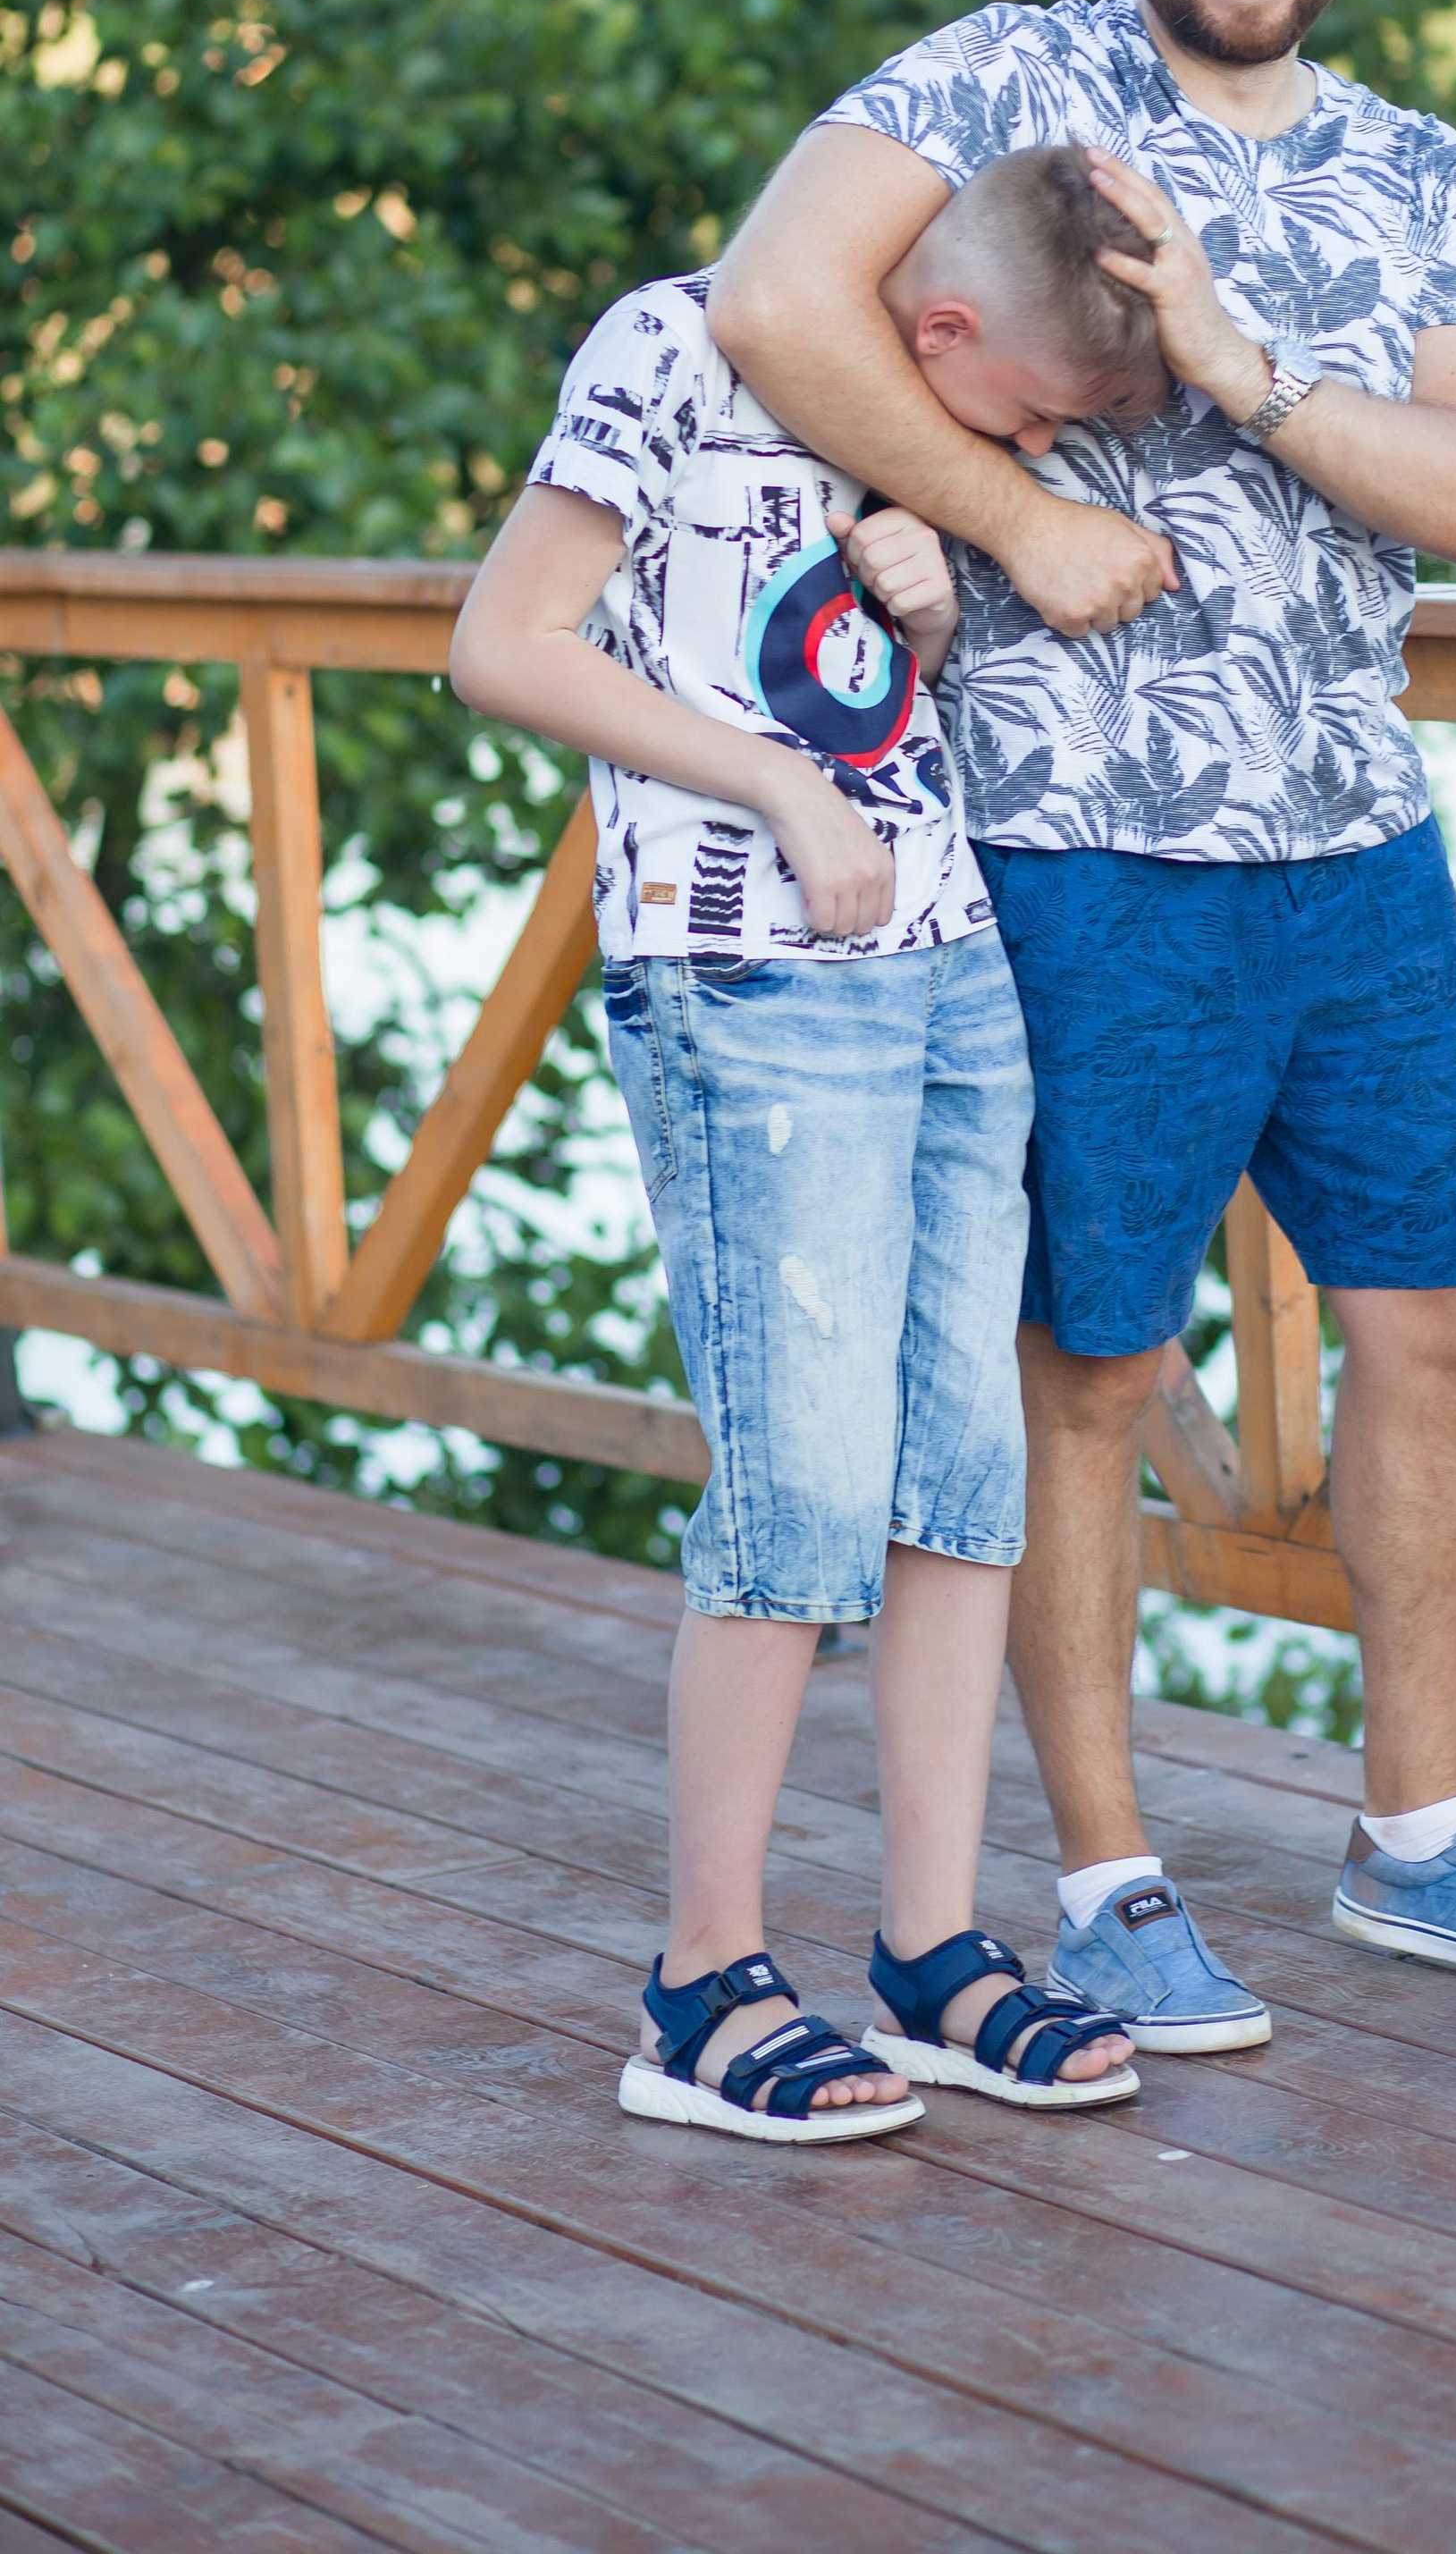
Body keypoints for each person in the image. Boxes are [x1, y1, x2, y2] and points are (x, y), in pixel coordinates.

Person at [705, 0, 1456, 2044]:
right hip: (1072, 848)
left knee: (1435, 1324)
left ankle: (1421, 1835)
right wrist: (1017, 510)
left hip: (1356, 841)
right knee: (1092, 1371)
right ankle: (1113, 1881)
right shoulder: (992, 79)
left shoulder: (1420, 167)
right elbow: (767, 302)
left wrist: (1235, 364)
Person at [450, 148, 1167, 2145]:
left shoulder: (901, 429)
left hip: (949, 967)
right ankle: (698, 1981)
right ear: (941, 331)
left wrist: (923, 625)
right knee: (802, 1477)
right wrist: (773, 789)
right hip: (748, 981)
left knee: (962, 1468)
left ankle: (931, 1952)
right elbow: (503, 645)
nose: (1017, 459)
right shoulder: (676, 344)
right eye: (1020, 419)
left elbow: (836, 691)